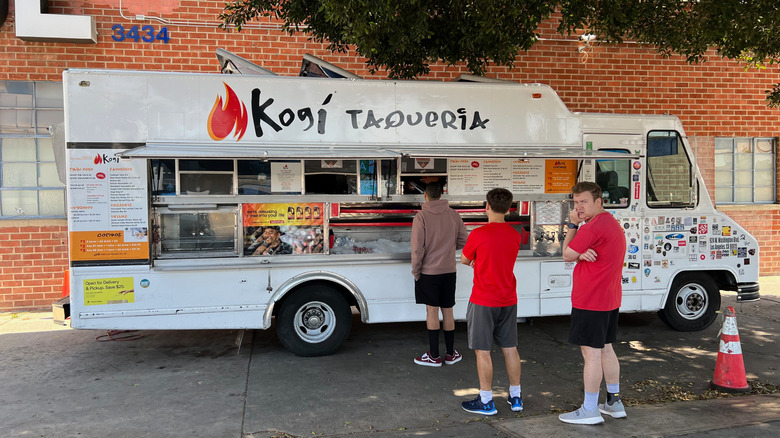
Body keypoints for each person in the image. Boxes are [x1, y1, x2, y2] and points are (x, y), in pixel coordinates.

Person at [558, 181, 627, 425]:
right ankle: (613, 401)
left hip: (590, 300)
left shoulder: (591, 227)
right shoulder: (609, 222)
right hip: (609, 298)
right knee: (606, 348)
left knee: (591, 354)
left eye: (584, 202)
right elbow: (578, 252)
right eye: (575, 203)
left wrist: (572, 226)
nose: (579, 207)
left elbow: (565, 253)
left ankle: (589, 409)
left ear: (599, 201)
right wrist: (581, 252)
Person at [459, 188, 524, 416]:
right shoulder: (515, 235)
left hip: (484, 299)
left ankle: (486, 400)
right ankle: (516, 396)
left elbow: (465, 259)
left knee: (482, 351)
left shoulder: (478, 234)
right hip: (508, 298)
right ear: (509, 207)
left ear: (486, 206)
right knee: (510, 348)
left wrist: (478, 262)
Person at [411, 182, 468, 367]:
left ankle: (434, 355)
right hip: (449, 271)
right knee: (448, 310)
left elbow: (417, 249)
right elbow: (463, 241)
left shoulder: (421, 217)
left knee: (432, 311)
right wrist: (448, 249)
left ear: (425, 196)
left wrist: (416, 270)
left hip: (429, 272)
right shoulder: (453, 214)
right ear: (442, 194)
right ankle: (451, 353)